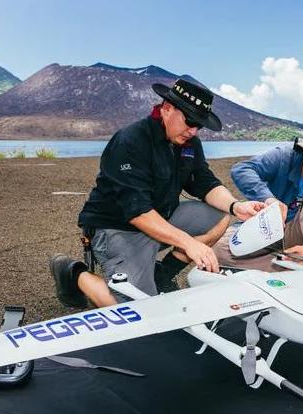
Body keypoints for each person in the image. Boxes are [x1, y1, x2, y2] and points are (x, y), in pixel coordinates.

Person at [50, 79, 265, 308]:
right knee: (137, 310)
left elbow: (204, 182)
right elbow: (137, 211)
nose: (193, 130)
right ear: (166, 109)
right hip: (118, 227)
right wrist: (188, 243)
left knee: (220, 215)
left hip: (161, 219)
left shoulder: (190, 143)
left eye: (199, 125)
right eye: (190, 121)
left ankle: (162, 273)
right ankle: (73, 273)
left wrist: (236, 206)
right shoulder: (131, 140)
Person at [213, 128, 303, 271]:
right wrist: (268, 199)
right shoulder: (285, 156)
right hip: (265, 228)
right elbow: (242, 170)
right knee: (218, 249)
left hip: (302, 241)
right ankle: (290, 267)